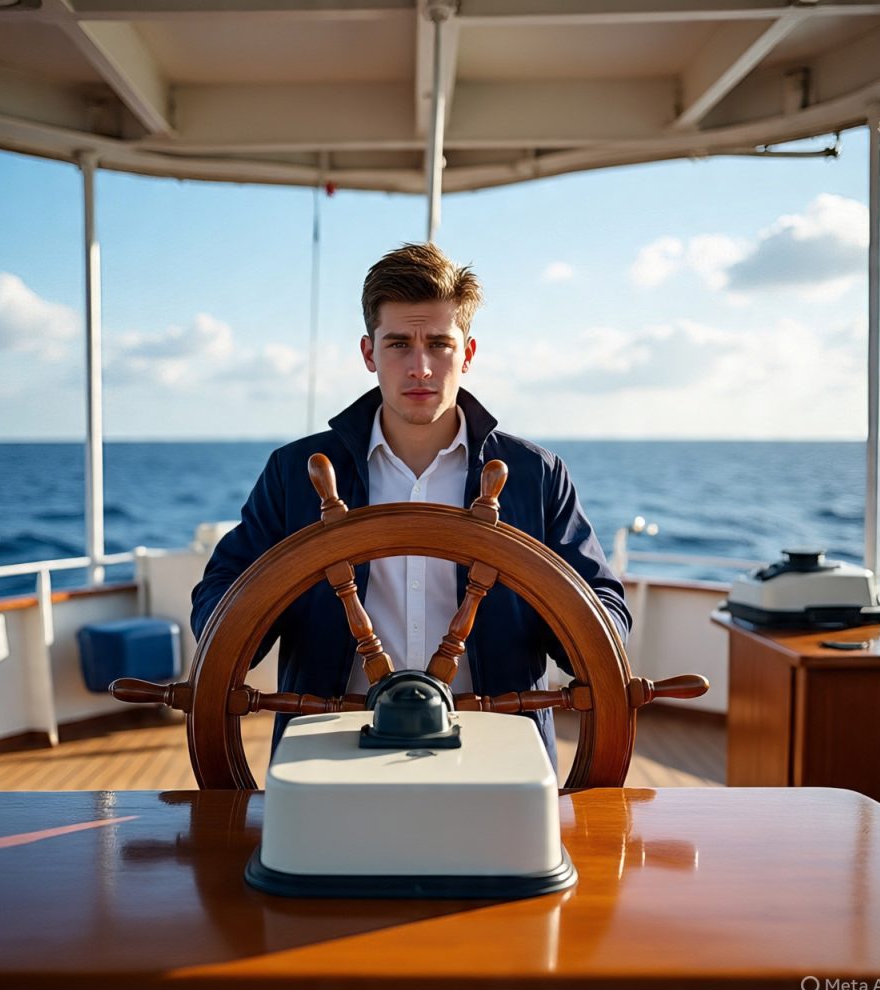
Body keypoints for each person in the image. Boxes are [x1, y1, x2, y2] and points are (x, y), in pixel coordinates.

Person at [191, 243, 631, 768]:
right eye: (399, 343)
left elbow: (605, 606)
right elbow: (218, 600)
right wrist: (253, 614)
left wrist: (577, 626)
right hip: (331, 754)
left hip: (500, 756)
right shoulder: (294, 474)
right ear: (368, 353)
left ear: (467, 354)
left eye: (439, 344)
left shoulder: (536, 476)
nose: (420, 367)